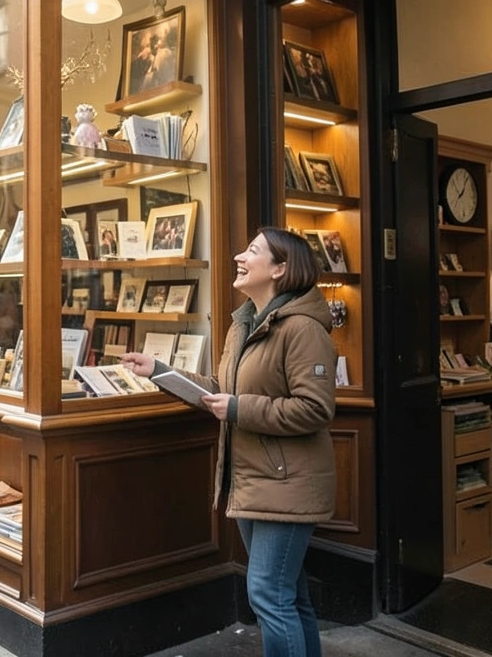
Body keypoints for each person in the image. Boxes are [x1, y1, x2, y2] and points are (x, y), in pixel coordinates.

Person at [120, 228, 336, 657]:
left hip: (286, 484)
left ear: (281, 268)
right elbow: (220, 390)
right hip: (254, 482)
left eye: (253, 251)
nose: (239, 255)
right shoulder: (242, 325)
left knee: (269, 596)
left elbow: (315, 409)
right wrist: (159, 370)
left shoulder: (303, 329)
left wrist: (239, 408)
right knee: (287, 595)